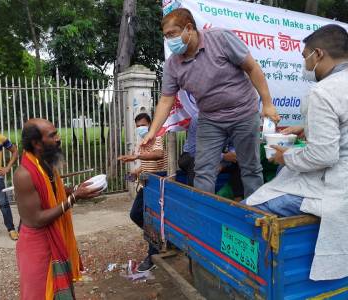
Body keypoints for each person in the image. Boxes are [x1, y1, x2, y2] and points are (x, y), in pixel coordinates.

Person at [245, 24, 348, 281]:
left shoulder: (323, 92)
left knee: (250, 206)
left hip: (336, 188)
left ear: (319, 54)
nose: (305, 65)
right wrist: (307, 127)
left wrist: (284, 157)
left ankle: (251, 273)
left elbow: (324, 156)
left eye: (305, 57)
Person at [141, 8, 279, 198]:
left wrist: (268, 103)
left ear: (188, 28)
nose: (169, 40)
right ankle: (203, 215)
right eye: (165, 36)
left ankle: (255, 212)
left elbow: (252, 68)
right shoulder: (173, 65)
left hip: (244, 113)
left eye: (172, 34)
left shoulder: (220, 38)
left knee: (250, 168)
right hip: (210, 119)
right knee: (203, 170)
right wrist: (152, 132)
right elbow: (166, 99)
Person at [14, 118, 101, 299]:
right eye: (52, 135)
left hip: (56, 236)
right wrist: (74, 198)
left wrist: (76, 189)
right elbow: (36, 219)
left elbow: (54, 192)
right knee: (41, 294)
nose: (58, 138)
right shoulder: (24, 174)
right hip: (37, 246)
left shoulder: (46, 164)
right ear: (36, 143)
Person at [118, 113, 168, 272]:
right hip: (146, 184)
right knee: (136, 215)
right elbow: (146, 163)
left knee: (149, 218)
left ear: (150, 124)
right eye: (138, 125)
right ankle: (158, 238)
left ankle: (153, 253)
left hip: (158, 184)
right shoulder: (142, 142)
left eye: (143, 125)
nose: (141, 128)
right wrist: (136, 171)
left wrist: (137, 156)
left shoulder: (157, 138)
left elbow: (159, 155)